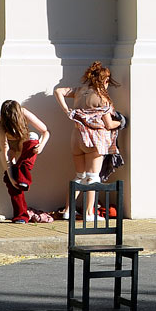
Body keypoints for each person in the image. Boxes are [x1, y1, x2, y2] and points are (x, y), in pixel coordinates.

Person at [55, 61, 123, 221]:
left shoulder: (79, 91)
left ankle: (67, 210)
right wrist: (121, 122)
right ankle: (89, 213)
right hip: (94, 140)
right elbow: (108, 124)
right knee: (93, 177)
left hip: (77, 137)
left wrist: (67, 111)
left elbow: (58, 91)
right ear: (105, 81)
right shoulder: (102, 99)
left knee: (79, 176)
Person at [0, 100, 50, 223]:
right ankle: (21, 215)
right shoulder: (0, 124)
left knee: (33, 138)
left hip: (24, 144)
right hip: (11, 149)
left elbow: (45, 131)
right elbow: (4, 152)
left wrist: (41, 146)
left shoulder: (24, 112)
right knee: (12, 181)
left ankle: (22, 178)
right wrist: (10, 177)